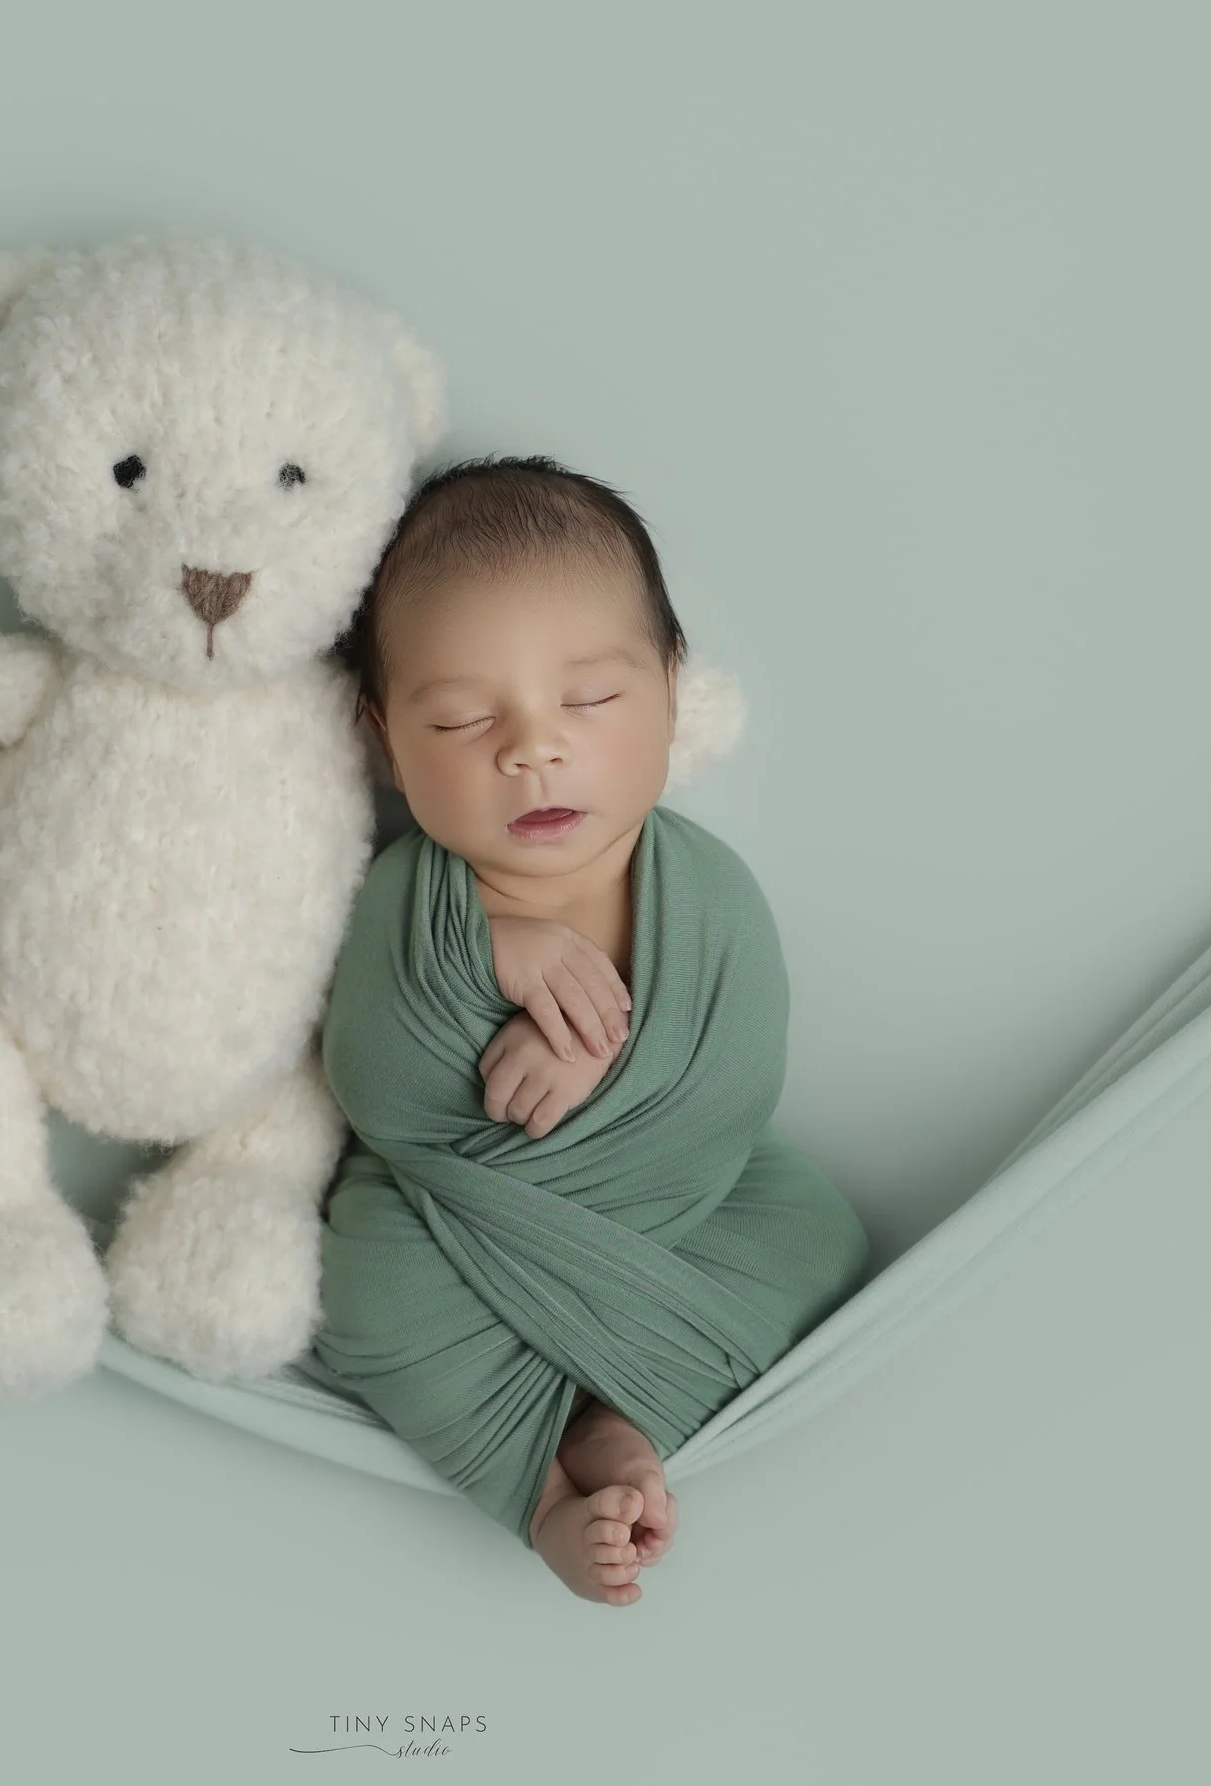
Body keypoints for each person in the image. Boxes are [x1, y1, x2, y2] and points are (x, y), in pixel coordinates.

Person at [297, 456, 871, 1605]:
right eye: (462, 718)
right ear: (384, 738)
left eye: (591, 700)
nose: (531, 748)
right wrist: (486, 951)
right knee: (361, 1293)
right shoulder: (409, 898)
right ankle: (543, 1495)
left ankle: (616, 1419)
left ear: (670, 688)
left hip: (679, 1217)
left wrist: (603, 1041)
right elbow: (372, 1082)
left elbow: (738, 1076)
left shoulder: (708, 893)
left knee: (817, 1239)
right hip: (450, 1234)